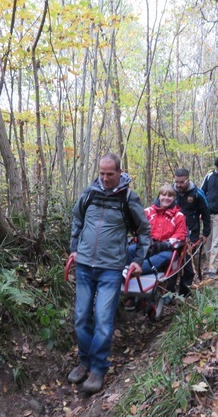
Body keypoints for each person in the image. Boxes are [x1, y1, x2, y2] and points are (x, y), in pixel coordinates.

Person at [67, 153, 151, 393]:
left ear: (119, 172)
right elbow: (77, 222)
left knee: (103, 320)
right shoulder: (89, 194)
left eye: (109, 174)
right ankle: (85, 361)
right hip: (84, 267)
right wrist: (74, 250)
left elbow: (143, 232)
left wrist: (137, 261)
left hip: (111, 269)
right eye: (101, 173)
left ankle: (98, 369)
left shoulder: (128, 198)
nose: (104, 178)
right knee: (82, 318)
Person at [126, 184, 187, 275]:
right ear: (159, 196)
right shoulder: (148, 211)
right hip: (147, 244)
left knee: (165, 257)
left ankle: (131, 271)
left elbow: (180, 234)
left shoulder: (179, 216)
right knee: (129, 250)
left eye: (169, 196)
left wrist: (164, 244)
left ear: (174, 198)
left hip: (166, 249)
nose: (166, 198)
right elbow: (139, 229)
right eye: (163, 195)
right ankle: (122, 271)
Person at [170, 168, 211, 296]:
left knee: (187, 263)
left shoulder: (197, 194)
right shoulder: (170, 192)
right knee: (171, 261)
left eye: (181, 182)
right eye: (176, 182)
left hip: (191, 234)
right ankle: (169, 292)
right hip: (172, 233)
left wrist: (205, 233)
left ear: (188, 180)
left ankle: (184, 293)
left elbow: (206, 214)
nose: (178, 185)